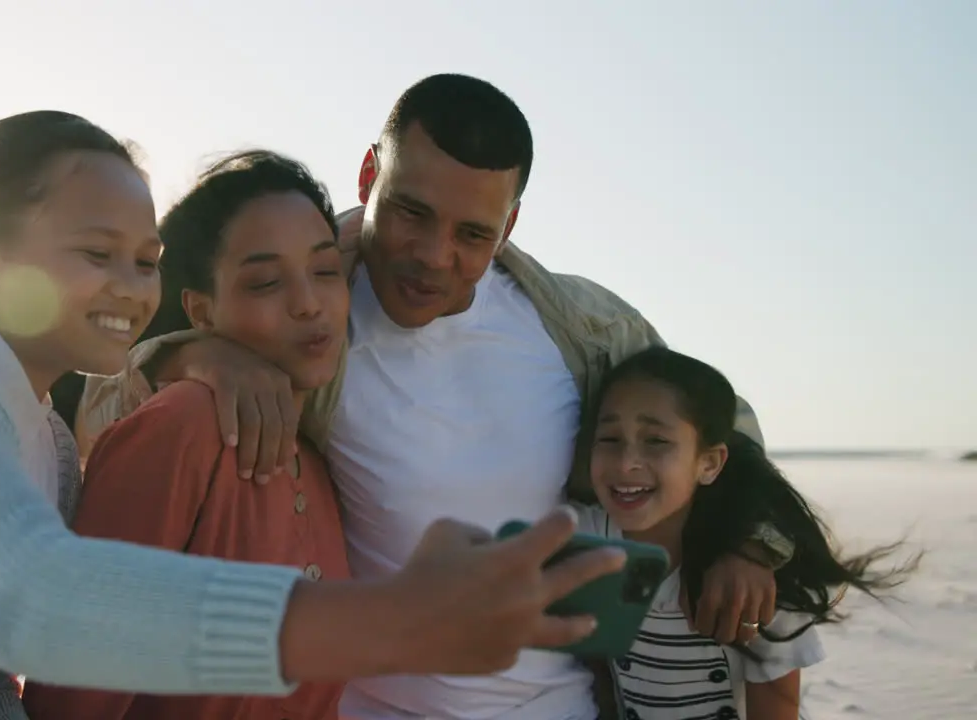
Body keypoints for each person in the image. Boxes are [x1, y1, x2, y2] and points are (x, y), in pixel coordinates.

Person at [0, 111, 628, 720]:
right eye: (94, 253)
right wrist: (393, 621)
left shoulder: (47, 441)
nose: (129, 288)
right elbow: (26, 599)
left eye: (143, 260)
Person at [76, 74, 797, 719]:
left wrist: (746, 544)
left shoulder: (582, 326)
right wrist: (194, 358)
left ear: (509, 226)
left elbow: (722, 423)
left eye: (472, 234)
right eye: (412, 213)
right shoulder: (306, 312)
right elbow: (104, 420)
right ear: (368, 175)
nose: (432, 255)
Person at [23, 150, 354, 719]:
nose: (308, 304)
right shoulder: (182, 428)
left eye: (326, 271)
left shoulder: (320, 469)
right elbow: (71, 692)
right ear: (201, 311)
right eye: (267, 282)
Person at [576, 347, 919, 720]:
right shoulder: (587, 539)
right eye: (609, 438)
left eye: (656, 441)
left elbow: (776, 710)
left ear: (709, 463)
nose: (627, 462)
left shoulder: (759, 583)